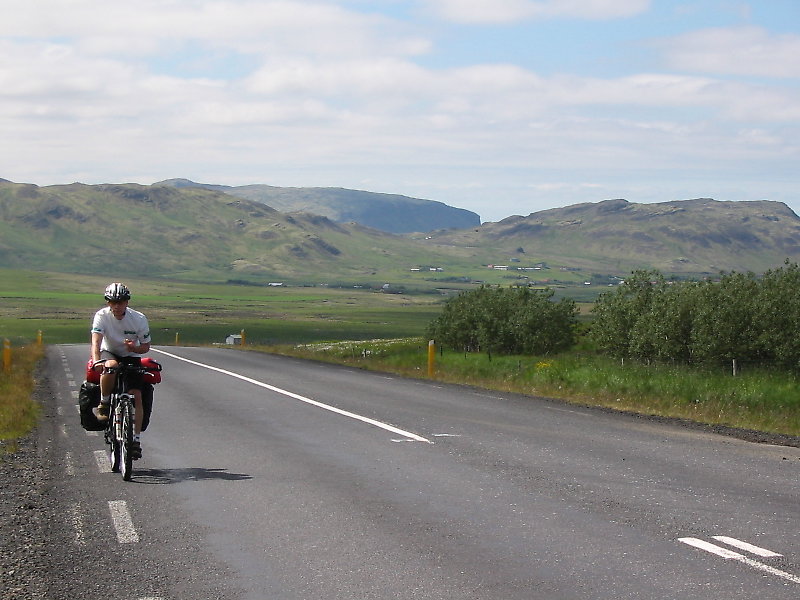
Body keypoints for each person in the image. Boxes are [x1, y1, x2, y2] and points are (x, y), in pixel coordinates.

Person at [90, 282, 152, 460]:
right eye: (112, 302)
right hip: (109, 352)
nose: (116, 306)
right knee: (110, 366)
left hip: (131, 355)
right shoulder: (101, 316)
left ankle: (136, 441)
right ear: (108, 302)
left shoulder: (138, 318)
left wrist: (134, 348)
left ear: (127, 302)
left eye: (120, 302)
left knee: (137, 395)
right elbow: (96, 342)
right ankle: (104, 403)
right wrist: (97, 361)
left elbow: (146, 346)